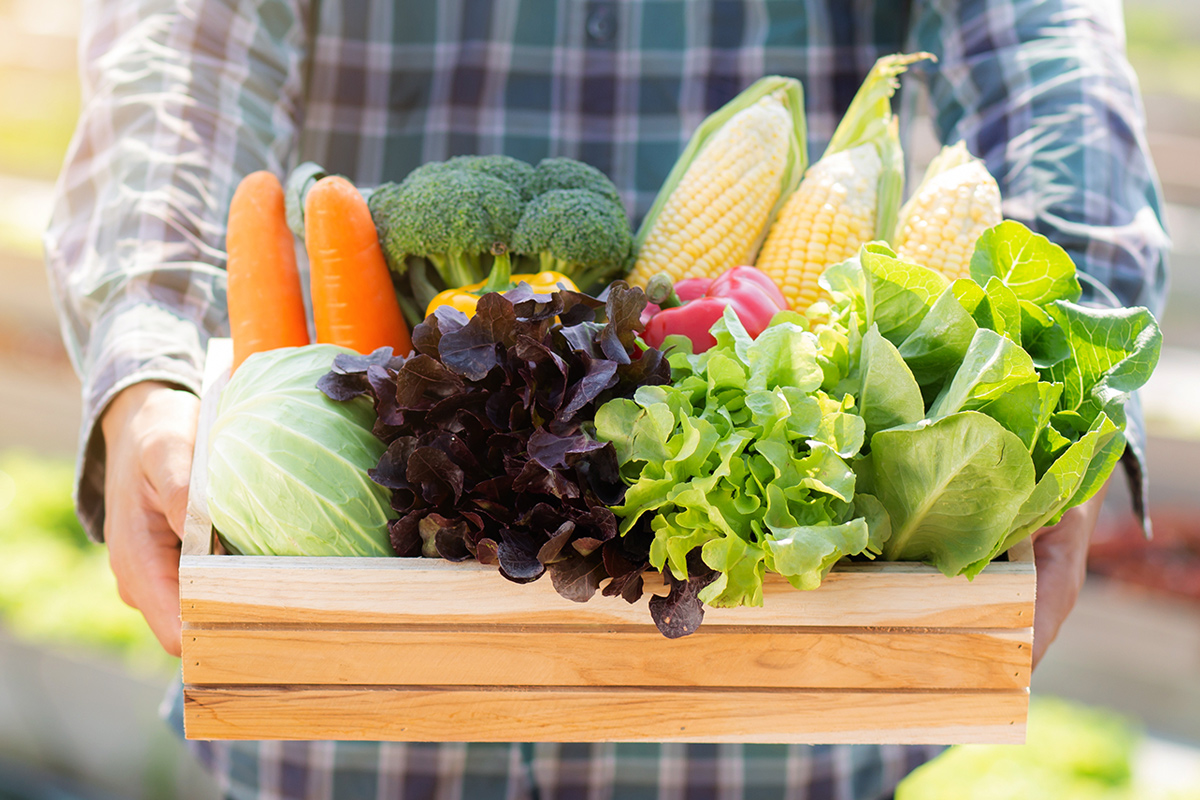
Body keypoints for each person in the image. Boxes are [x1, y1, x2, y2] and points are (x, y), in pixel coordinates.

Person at [44, 0, 1168, 797]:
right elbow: (181, 41)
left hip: (776, 702)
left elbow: (1045, 37)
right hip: (354, 680)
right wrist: (148, 352)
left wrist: (1061, 380)